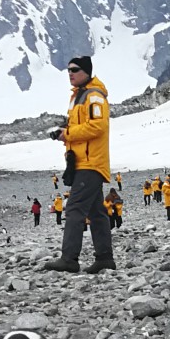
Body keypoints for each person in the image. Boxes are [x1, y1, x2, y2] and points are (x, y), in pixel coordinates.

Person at [44, 55, 116, 273]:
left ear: (86, 71)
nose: (70, 73)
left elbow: (97, 127)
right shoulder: (79, 96)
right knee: (96, 212)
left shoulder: (94, 97)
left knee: (74, 209)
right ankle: (104, 258)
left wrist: (68, 134)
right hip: (83, 163)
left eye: (75, 69)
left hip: (91, 163)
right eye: (68, 70)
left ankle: (69, 259)